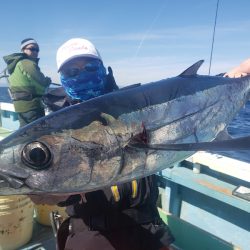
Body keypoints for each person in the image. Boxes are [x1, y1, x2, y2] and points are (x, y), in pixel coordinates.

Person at [31, 38, 175, 250]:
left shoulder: (133, 105)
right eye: (72, 72)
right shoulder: (55, 126)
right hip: (93, 233)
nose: (82, 75)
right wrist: (51, 193)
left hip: (149, 227)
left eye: (90, 67)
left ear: (103, 69)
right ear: (62, 79)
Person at [3, 38, 51, 127]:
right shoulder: (27, 63)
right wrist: (48, 80)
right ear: (23, 50)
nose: (35, 52)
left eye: (37, 50)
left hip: (20, 106)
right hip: (32, 106)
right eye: (32, 49)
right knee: (36, 132)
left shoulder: (16, 64)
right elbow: (41, 83)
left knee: (25, 131)